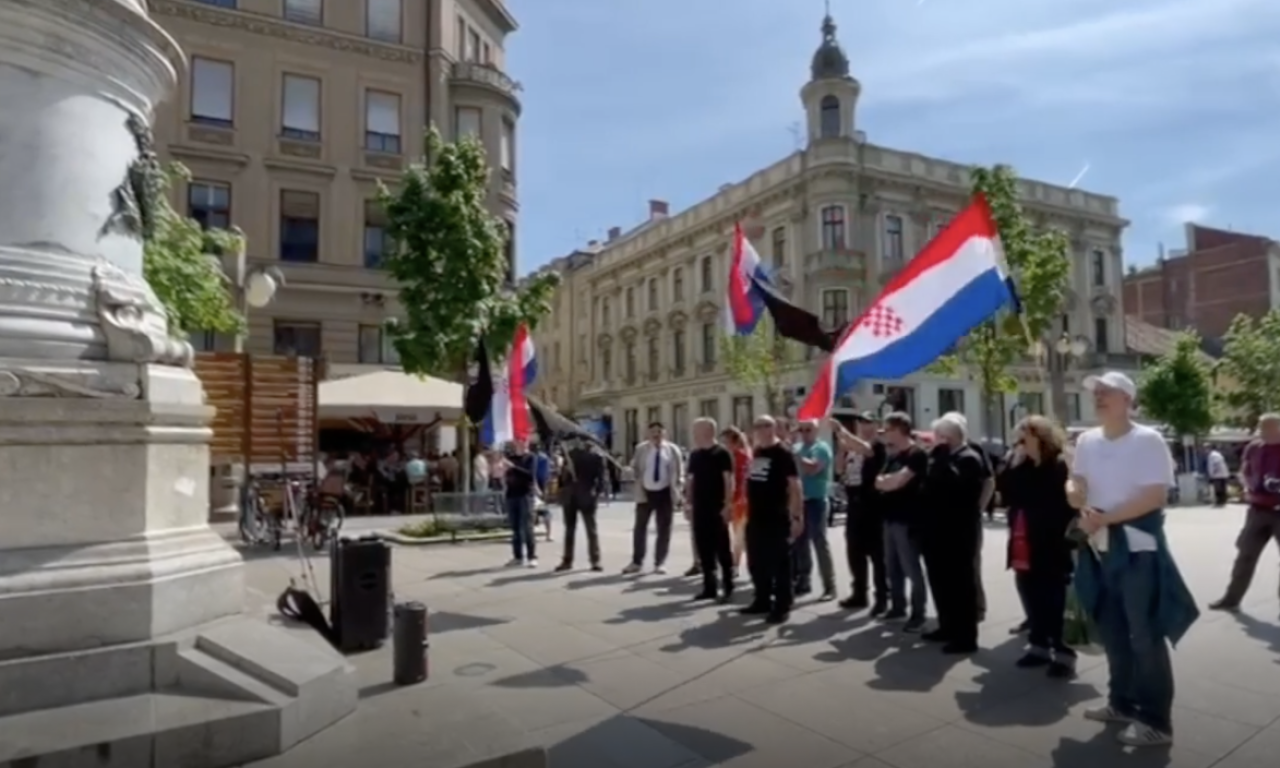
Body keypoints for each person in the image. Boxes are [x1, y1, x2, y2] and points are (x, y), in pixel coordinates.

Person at [1070, 371, 1197, 748]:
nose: (1099, 397)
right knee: (1111, 630)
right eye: (1097, 392)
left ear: (1127, 399)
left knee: (1143, 634)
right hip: (1098, 545)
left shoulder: (1148, 440)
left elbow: (1154, 496)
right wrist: (1073, 493)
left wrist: (1104, 518)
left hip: (1137, 546)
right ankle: (1121, 703)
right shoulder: (1086, 441)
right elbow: (1076, 484)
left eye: (1107, 391)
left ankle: (1156, 721)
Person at [1003, 416, 1078, 677]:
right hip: (1024, 539)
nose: (1020, 442)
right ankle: (1038, 645)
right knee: (1030, 593)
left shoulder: (1058, 464)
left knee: (1054, 598)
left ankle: (1064, 652)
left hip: (1052, 541)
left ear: (1040, 436)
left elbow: (1067, 502)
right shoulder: (1022, 465)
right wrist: (1012, 463)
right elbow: (1007, 495)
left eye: (1025, 436)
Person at [918, 413, 987, 654]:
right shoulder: (940, 458)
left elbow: (958, 490)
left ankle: (966, 636)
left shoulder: (968, 458)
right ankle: (947, 625)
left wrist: (943, 458)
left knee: (961, 586)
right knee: (941, 582)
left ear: (950, 437)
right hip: (936, 531)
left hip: (958, 533)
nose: (935, 440)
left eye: (940, 436)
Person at [1208, 413, 1280, 611]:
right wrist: (1246, 485)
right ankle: (1231, 599)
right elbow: (1245, 469)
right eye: (1260, 427)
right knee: (1245, 554)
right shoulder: (1254, 447)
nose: (1261, 431)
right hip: (1257, 510)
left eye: (1266, 427)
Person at [741, 416, 802, 624]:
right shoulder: (758, 452)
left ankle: (782, 605)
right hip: (755, 516)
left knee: (780, 564)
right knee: (756, 562)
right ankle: (762, 599)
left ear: (775, 428)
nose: (763, 429)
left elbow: (794, 486)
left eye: (767, 425)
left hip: (776, 516)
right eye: (758, 426)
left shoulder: (783, 452)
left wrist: (796, 516)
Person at [874, 412, 930, 633]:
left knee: (911, 568)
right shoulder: (893, 455)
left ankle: (919, 613)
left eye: (887, 429)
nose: (885, 434)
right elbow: (879, 482)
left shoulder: (917, 455)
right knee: (892, 566)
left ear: (898, 430)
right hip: (889, 518)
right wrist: (887, 482)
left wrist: (888, 482)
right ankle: (898, 607)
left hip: (908, 520)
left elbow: (897, 482)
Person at [831, 413, 889, 613]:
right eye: (862, 423)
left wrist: (841, 429)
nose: (866, 427)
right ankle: (859, 593)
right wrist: (841, 449)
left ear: (877, 425)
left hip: (873, 506)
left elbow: (867, 450)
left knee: (877, 554)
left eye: (870, 423)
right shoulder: (853, 448)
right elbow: (839, 470)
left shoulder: (878, 446)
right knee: (855, 551)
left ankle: (882, 597)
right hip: (854, 505)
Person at [623, 422, 684, 575]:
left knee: (664, 529)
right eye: (653, 432)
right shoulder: (641, 449)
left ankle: (660, 562)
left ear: (664, 433)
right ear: (648, 434)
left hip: (664, 493)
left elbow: (679, 471)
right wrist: (629, 471)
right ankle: (637, 561)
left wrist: (679, 489)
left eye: (659, 432)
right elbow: (635, 467)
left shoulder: (672, 450)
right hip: (645, 492)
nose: (656, 435)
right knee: (640, 528)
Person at [686, 419, 736, 602]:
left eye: (696, 431)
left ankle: (728, 584)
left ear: (707, 431)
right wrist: (688, 503)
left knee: (722, 547)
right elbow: (691, 481)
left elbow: (728, 481)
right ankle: (709, 587)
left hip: (717, 506)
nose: (693, 434)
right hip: (700, 507)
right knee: (704, 547)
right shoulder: (695, 455)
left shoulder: (722, 453)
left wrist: (727, 505)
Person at [792, 418, 837, 601]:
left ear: (816, 431)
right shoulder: (796, 448)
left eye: (808, 429)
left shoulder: (821, 448)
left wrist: (796, 458)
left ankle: (830, 586)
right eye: (801, 429)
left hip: (816, 501)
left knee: (819, 542)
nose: (804, 432)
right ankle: (804, 580)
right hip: (799, 501)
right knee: (800, 543)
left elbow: (813, 468)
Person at [555, 440, 606, 572]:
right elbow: (563, 477)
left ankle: (595, 560)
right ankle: (567, 560)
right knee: (570, 530)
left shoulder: (596, 457)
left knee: (591, 530)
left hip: (586, 496)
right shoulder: (569, 454)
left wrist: (596, 494)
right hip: (571, 496)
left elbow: (601, 478)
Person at [501, 439, 541, 567]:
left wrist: (513, 467)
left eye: (524, 441)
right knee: (515, 528)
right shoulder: (510, 457)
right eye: (518, 442)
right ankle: (517, 557)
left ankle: (532, 556)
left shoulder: (530, 458)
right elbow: (505, 475)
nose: (521, 444)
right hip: (511, 495)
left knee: (527, 527)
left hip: (525, 495)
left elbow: (530, 475)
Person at [721, 426, 752, 572]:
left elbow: (743, 479)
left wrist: (739, 497)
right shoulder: (725, 456)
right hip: (727, 500)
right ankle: (732, 563)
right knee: (731, 534)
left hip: (739, 500)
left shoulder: (741, 457)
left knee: (739, 534)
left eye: (726, 442)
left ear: (733, 442)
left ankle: (735, 565)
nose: (724, 445)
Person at [533, 446, 554, 542]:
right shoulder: (544, 458)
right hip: (540, 487)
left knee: (538, 512)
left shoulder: (534, 458)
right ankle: (548, 535)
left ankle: (534, 533)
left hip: (536, 488)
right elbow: (546, 475)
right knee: (544, 512)